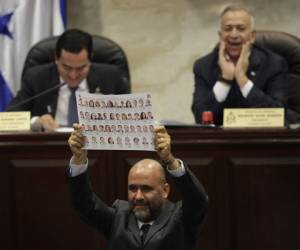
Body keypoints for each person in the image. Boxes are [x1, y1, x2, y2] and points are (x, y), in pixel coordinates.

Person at [67, 125, 208, 250]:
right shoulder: (118, 217)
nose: (138, 196)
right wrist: (78, 160)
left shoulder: (180, 218)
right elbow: (84, 204)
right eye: (133, 189)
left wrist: (170, 160)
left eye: (146, 189)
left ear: (165, 190)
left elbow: (198, 199)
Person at [6, 29, 130, 131]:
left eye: (81, 68)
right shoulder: (36, 78)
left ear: (90, 59)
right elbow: (8, 118)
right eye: (66, 67)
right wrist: (35, 122)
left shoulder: (112, 77)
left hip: (97, 150)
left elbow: (131, 118)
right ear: (56, 58)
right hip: (49, 149)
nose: (73, 75)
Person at [191, 5, 288, 125]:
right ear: (220, 35)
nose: (234, 35)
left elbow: (278, 114)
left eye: (241, 29)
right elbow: (200, 118)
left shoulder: (274, 64)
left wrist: (243, 80)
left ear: (252, 36)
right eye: (228, 29)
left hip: (262, 138)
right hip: (220, 140)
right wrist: (225, 80)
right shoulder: (203, 66)